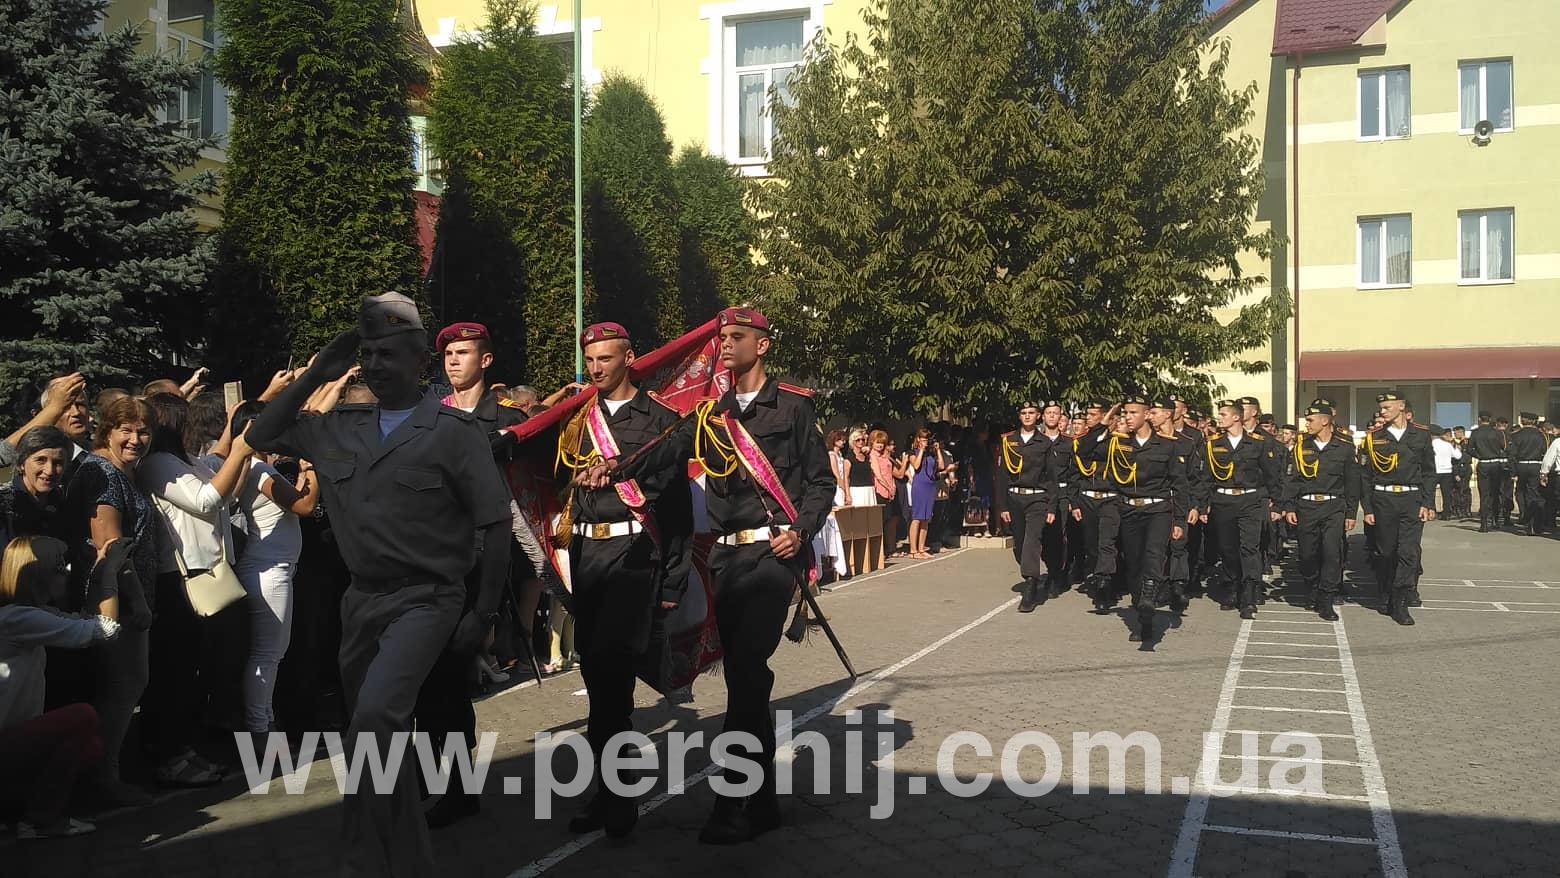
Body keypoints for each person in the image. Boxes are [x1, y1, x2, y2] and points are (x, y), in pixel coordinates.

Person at [246, 292, 512, 878]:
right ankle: (409, 860)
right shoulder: (337, 428)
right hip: (362, 600)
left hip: (428, 597)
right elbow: (261, 429)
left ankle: (360, 861)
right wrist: (319, 369)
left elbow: (494, 529)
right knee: (371, 740)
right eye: (366, 352)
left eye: (388, 352)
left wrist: (484, 613)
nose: (374, 363)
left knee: (375, 722)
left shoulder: (454, 432)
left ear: (420, 356)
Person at [617, 306, 832, 845]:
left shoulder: (795, 407)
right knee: (746, 680)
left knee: (745, 669)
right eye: (722, 337)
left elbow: (821, 482)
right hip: (723, 560)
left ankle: (732, 801)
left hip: (769, 559)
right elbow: (660, 448)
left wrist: (801, 530)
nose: (725, 344)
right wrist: (614, 468)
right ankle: (762, 805)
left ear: (761, 345)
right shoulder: (711, 415)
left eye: (736, 337)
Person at [554, 321, 691, 839]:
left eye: (606, 359)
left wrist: (673, 583)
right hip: (587, 554)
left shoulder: (661, 420)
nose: (596, 369)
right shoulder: (575, 419)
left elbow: (677, 509)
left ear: (629, 358)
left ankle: (617, 796)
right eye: (590, 360)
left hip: (635, 558)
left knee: (612, 681)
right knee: (597, 680)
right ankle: (612, 788)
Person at [411, 320, 534, 828]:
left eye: (463, 352)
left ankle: (457, 788)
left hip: (477, 561)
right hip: (425, 558)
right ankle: (427, 777)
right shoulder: (426, 415)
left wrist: (487, 605)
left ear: (486, 360)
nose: (452, 361)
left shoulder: (507, 421)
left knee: (451, 682)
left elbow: (523, 497)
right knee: (422, 678)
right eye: (448, 354)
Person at [137, 392, 255, 787]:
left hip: (207, 575)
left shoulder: (181, 461)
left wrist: (236, 435)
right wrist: (240, 450)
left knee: (196, 671)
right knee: (176, 672)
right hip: (181, 581)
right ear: (174, 424)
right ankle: (168, 756)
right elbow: (206, 500)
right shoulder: (157, 465)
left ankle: (185, 747)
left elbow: (214, 467)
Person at [0, 535, 122, 839]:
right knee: (82, 717)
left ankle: (23, 811)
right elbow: (105, 630)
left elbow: (84, 620)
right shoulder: (18, 618)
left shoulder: (28, 615)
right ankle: (40, 819)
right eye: (58, 566)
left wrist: (96, 568)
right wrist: (109, 575)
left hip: (14, 738)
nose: (66, 571)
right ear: (38, 573)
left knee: (88, 746)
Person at [70, 396, 158, 806]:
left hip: (126, 598)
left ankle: (104, 773)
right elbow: (110, 547)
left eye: (143, 431)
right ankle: (103, 779)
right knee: (124, 686)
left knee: (123, 687)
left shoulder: (123, 471)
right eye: (127, 430)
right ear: (107, 430)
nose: (136, 439)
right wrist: (138, 603)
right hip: (115, 602)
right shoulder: (102, 473)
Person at [226, 401, 318, 739]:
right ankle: (260, 730)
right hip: (269, 571)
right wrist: (311, 469)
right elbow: (304, 505)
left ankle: (264, 723)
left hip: (271, 568)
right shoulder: (259, 470)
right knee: (268, 655)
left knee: (270, 653)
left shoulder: (255, 467)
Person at [1087, 396, 1188, 645]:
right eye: (1125, 413)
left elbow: (1180, 485)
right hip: (1129, 509)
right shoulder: (1119, 443)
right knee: (1133, 564)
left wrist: (1180, 521)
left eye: (1133, 412)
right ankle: (1143, 617)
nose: (1128, 417)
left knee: (1154, 555)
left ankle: (1150, 596)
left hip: (1158, 510)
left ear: (1146, 415)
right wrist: (1105, 421)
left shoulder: (1167, 446)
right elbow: (1087, 450)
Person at [1359, 392, 1436, 626]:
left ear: (1402, 407)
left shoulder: (1421, 435)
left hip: (1411, 498)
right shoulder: (1374, 437)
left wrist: (1428, 503)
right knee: (1385, 552)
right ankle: (1385, 590)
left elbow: (1429, 471)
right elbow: (1366, 476)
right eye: (1381, 408)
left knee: (1408, 552)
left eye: (1387, 407)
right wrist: (1368, 508)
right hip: (1384, 499)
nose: (1383, 411)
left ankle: (1400, 601)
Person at [1203, 399, 1282, 619]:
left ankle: (1248, 595)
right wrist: (1202, 505)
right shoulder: (1214, 443)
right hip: (1223, 502)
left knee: (1250, 548)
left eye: (1224, 414)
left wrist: (1278, 503)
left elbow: (1272, 474)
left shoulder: (1258, 443)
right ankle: (1231, 586)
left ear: (1237, 417)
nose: (1219, 418)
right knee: (1227, 548)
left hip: (1250, 501)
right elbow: (1206, 478)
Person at [1282, 402, 1361, 621]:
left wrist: (1351, 513)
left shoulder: (1344, 448)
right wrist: (1288, 506)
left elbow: (1352, 482)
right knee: (1307, 554)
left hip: (1333, 507)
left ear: (1324, 421)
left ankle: (1326, 598)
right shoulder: (1300, 446)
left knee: (1332, 553)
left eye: (1310, 420)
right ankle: (1312, 587)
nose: (1306, 424)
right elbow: (1291, 479)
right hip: (1306, 506)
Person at [995, 401, 1061, 612]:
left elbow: (1052, 478)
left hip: (1037, 500)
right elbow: (1003, 476)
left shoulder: (1044, 443)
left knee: (1032, 541)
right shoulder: (1009, 441)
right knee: (1020, 546)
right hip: (1015, 499)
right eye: (1023, 413)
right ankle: (1030, 572)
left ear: (1038, 416)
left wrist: (1051, 507)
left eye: (1031, 413)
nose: (1027, 416)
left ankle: (1031, 587)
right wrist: (1002, 506)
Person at [1069, 399, 1121, 613]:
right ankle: (1102, 577)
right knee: (1092, 545)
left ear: (1105, 417)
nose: (1087, 418)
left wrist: (1108, 424)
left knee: (1106, 543)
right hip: (1087, 498)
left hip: (1110, 498)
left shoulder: (1118, 440)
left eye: (1092, 415)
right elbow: (1079, 460)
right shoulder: (1086, 440)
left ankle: (1104, 587)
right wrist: (1074, 502)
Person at [1, 427, 77, 548]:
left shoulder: (63, 503)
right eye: (40, 460)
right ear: (22, 463)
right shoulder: (4, 506)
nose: (50, 471)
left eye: (58, 463)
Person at [1468, 413, 1511, 533]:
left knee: (1484, 494)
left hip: (1483, 463)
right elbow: (1504, 446)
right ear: (1491, 420)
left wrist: (1480, 455)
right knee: (1496, 493)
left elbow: (1469, 449)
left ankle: (1483, 524)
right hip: (1496, 463)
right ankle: (1495, 520)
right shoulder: (1496, 432)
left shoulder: (1475, 432)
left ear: (1479, 419)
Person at [1508, 412, 1547, 536]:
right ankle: (1533, 523)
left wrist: (1513, 471)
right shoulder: (1541, 435)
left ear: (1523, 421)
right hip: (1536, 465)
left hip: (1521, 465)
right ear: (1534, 421)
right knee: (1533, 493)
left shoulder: (1516, 435)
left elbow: (1512, 455)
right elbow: (1544, 452)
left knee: (1520, 491)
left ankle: (1525, 516)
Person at [907, 429, 937, 559]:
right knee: (917, 517)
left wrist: (937, 450)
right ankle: (913, 550)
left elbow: (938, 466)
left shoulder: (931, 454)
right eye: (924, 439)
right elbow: (916, 466)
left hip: (930, 486)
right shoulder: (912, 453)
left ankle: (921, 547)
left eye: (927, 439)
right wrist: (921, 451)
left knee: (926, 518)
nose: (926, 442)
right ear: (918, 439)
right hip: (919, 486)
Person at [1430, 425, 1463, 517]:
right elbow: (1458, 456)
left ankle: (1432, 512)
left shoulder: (1430, 444)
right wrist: (1456, 447)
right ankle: (1446, 514)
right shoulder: (1447, 444)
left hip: (1434, 471)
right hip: (1447, 471)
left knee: (1431, 493)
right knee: (1446, 494)